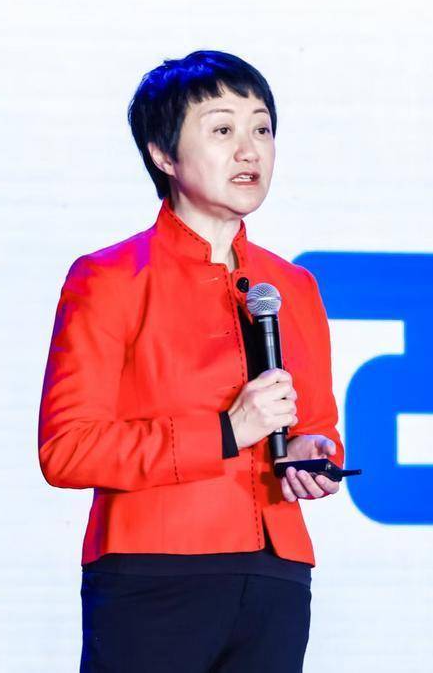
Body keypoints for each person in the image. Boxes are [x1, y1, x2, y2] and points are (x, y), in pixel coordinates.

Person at [37, 50, 345, 672]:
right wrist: (227, 432)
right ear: (163, 154)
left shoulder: (292, 286)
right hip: (154, 575)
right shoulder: (109, 278)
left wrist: (313, 456)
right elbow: (67, 450)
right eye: (222, 130)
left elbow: (317, 427)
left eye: (262, 129)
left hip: (276, 576)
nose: (250, 151)